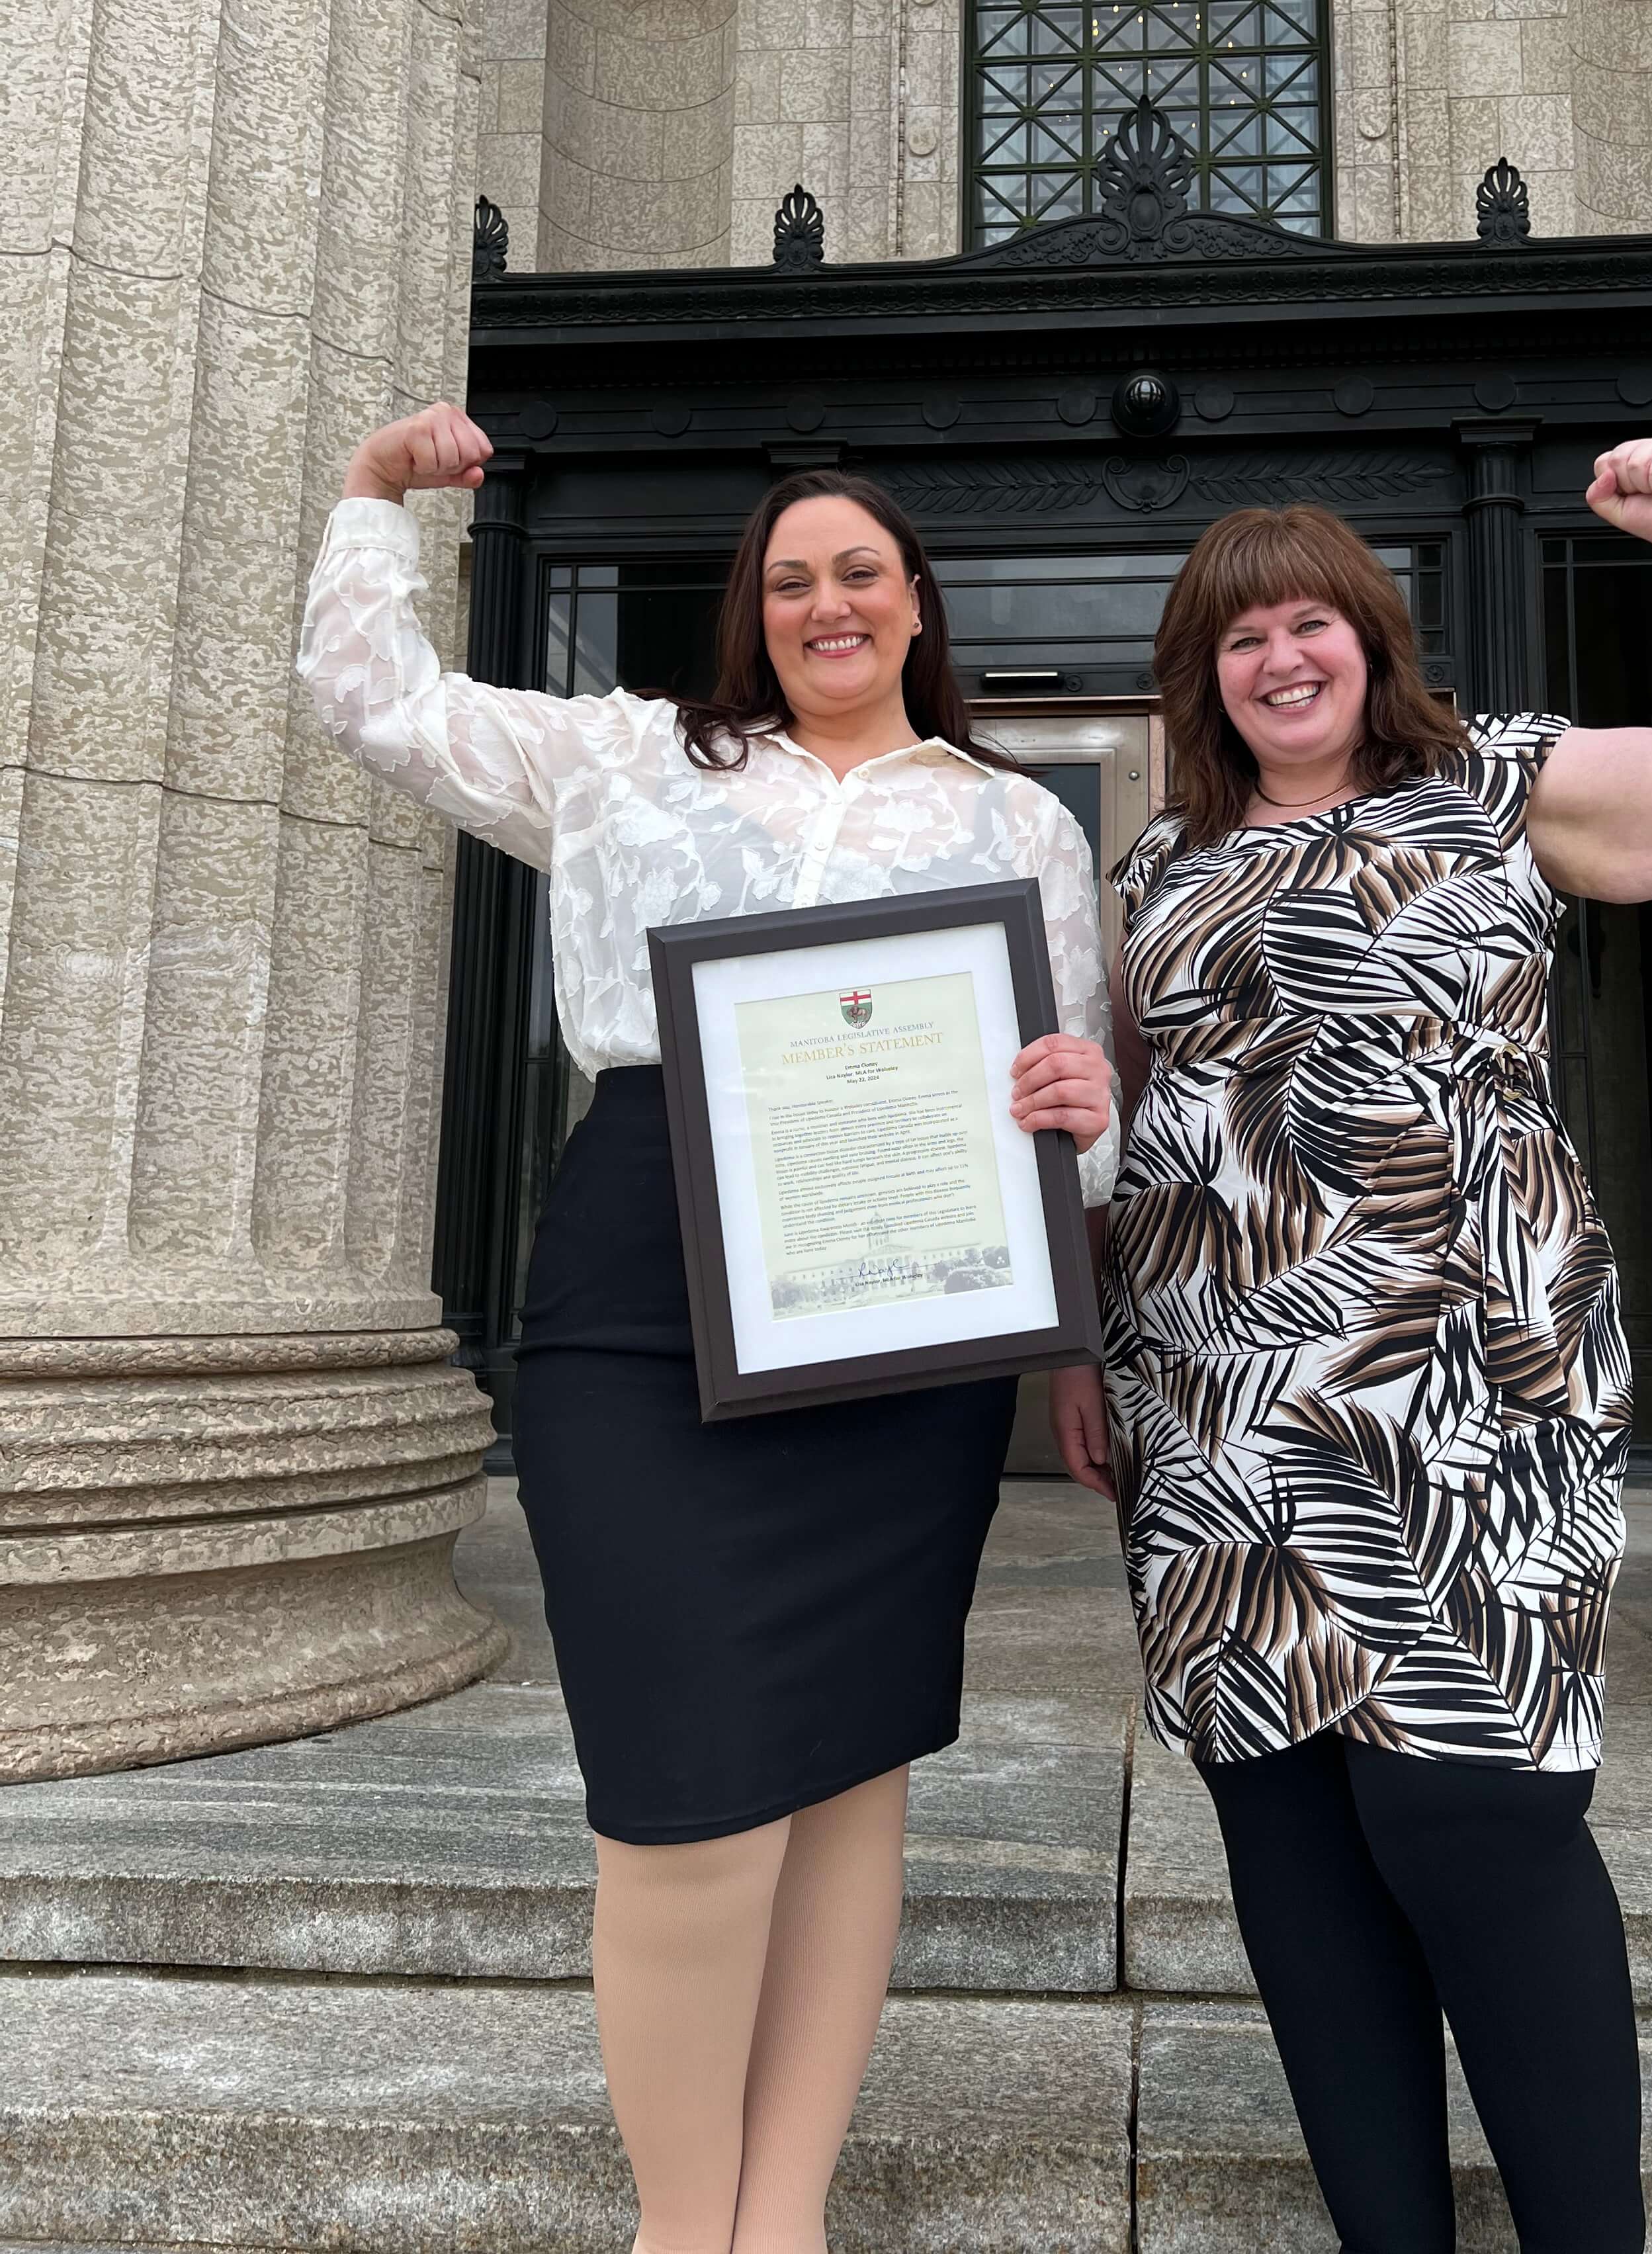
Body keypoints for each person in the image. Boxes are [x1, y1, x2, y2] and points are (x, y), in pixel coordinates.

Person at [297, 404, 1116, 2254]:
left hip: (907, 1313)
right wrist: (370, 502)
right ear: (753, 611)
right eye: (791, 578)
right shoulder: (622, 759)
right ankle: (688, 2230)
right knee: (678, 1797)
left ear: (917, 606)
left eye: (862, 574)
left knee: (846, 1768)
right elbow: (373, 698)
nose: (828, 603)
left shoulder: (1016, 824)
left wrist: (1084, 1133)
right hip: (641, 1285)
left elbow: (1078, 1101)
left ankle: (787, 2220)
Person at [1050, 438, 1652, 2254]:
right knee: (1298, 1862)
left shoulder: (1498, 784)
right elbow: (1136, 1120)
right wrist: (1077, 1350)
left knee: (1475, 1828)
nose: (1279, 660)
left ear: (1367, 636)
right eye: (1238, 639)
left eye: (1308, 618)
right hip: (1222, 1414)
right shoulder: (1160, 863)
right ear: (1206, 677)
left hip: (1465, 1400)